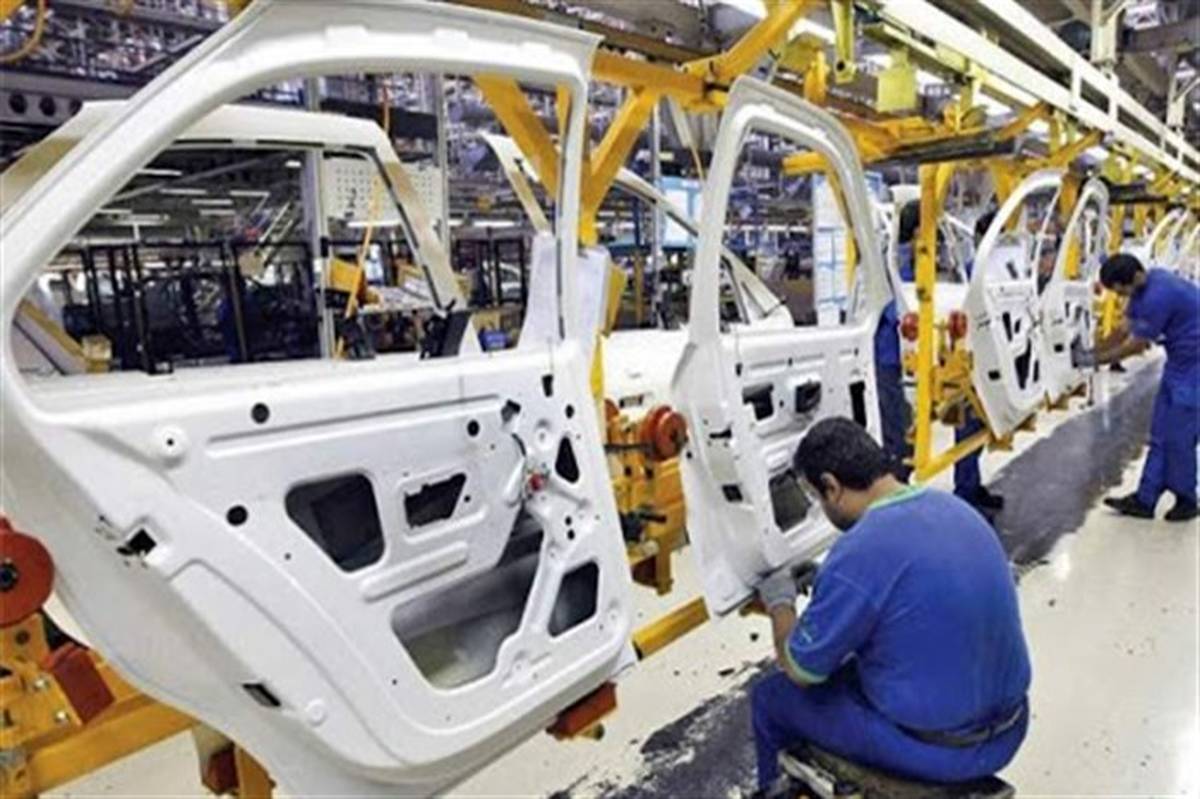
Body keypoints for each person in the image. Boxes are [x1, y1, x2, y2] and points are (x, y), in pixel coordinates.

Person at [751, 418, 1030, 796]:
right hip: (1009, 729)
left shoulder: (859, 551)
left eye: (818, 498)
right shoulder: (955, 508)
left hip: (940, 751)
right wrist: (832, 585)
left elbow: (801, 670)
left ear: (831, 486)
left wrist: (779, 601)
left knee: (770, 699)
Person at [1075, 253, 1200, 521]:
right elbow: (1124, 329)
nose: (1120, 296)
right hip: (1180, 364)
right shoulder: (1143, 288)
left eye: (1121, 291)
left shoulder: (1159, 295)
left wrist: (1095, 361)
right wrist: (1090, 351)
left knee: (1179, 437)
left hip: (1195, 369)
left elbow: (1135, 345)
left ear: (1134, 277)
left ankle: (1187, 499)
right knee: (1159, 433)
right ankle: (1146, 499)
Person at [953, 209, 1004, 512]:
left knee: (982, 426)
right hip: (972, 358)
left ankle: (971, 485)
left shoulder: (1001, 269)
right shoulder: (974, 271)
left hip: (993, 356)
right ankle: (965, 492)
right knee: (968, 427)